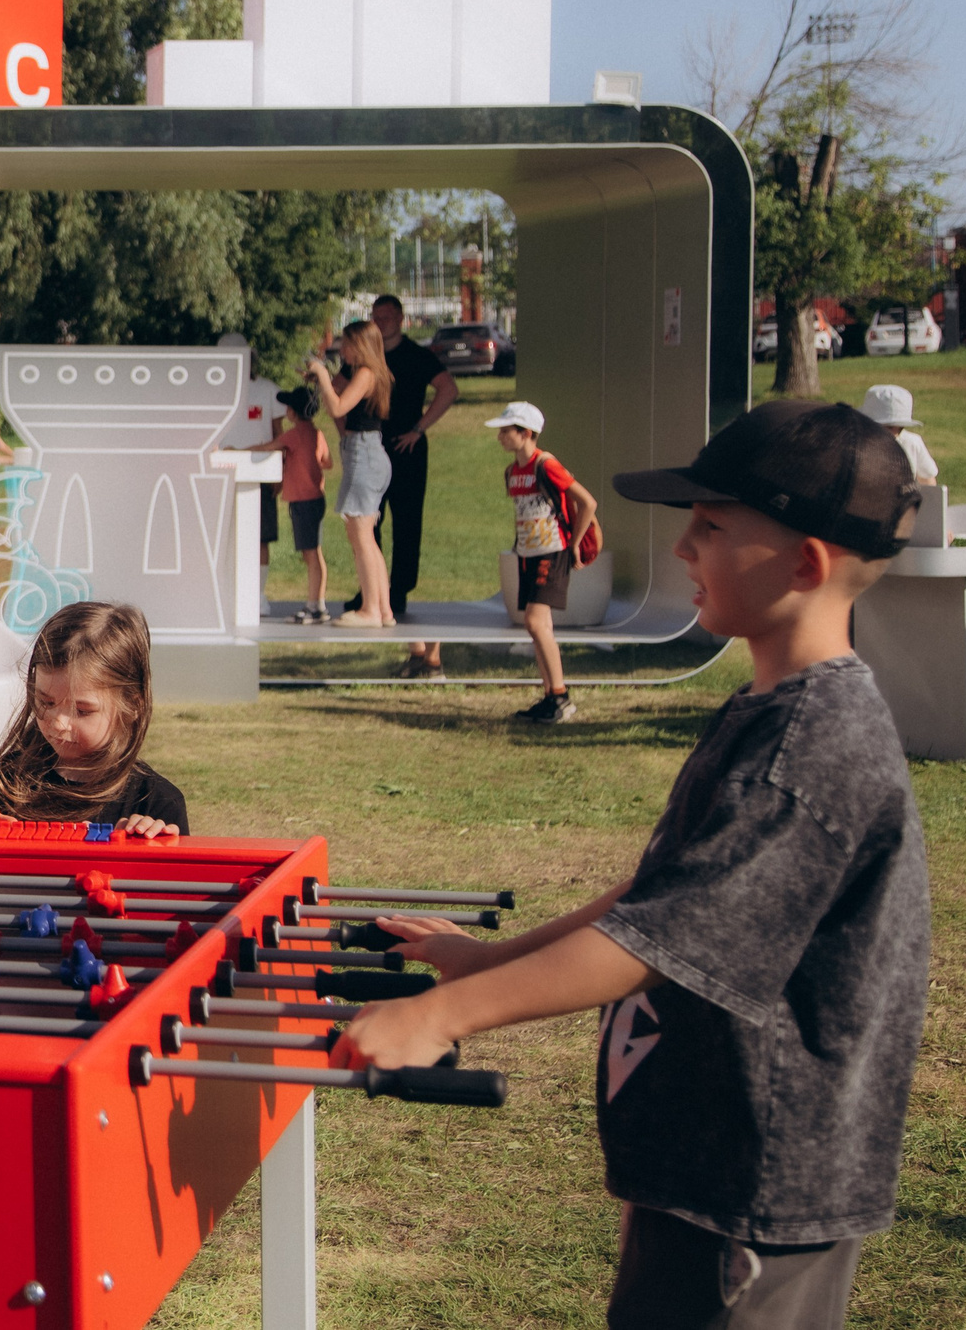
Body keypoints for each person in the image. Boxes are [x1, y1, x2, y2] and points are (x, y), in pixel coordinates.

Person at [343, 401, 928, 1330]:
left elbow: (665, 936)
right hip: (700, 1170)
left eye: (712, 527)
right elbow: (664, 893)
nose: (683, 545)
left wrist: (440, 1014)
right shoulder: (769, 710)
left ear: (806, 564)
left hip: (754, 1193)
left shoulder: (813, 748)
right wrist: (489, 959)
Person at [0, 601, 187, 836]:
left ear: (132, 706)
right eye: (46, 702)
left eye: (82, 711)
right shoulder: (3, 785)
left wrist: (148, 845)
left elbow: (176, 872)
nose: (59, 723)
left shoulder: (157, 803)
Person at [485, 401, 599, 724]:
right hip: (528, 554)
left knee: (536, 623)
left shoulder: (545, 464)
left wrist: (574, 544)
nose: (500, 437)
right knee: (538, 626)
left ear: (526, 433)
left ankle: (560, 697)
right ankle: (551, 696)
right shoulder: (512, 472)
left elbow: (587, 502)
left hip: (552, 551)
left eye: (506, 431)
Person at [369, 295, 459, 674]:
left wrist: (419, 429)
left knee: (407, 522)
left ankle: (399, 590)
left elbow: (449, 389)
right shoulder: (367, 356)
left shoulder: (418, 355)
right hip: (372, 448)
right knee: (368, 522)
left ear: (401, 319)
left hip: (407, 448)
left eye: (388, 316)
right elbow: (338, 390)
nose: (382, 322)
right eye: (376, 316)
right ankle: (371, 590)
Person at [305, 321, 395, 629]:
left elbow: (338, 407)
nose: (342, 350)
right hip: (367, 453)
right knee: (366, 537)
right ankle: (383, 609)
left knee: (361, 537)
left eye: (347, 344)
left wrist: (322, 375)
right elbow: (338, 404)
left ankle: (370, 610)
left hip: (364, 456)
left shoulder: (366, 373)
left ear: (361, 346)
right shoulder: (371, 373)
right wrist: (321, 381)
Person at [241, 387, 334, 623]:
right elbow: (327, 462)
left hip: (303, 502)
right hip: (316, 499)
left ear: (292, 412)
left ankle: (315, 607)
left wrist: (237, 451)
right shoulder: (316, 433)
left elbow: (267, 447)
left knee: (311, 555)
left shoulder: (293, 435)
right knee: (313, 553)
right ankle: (317, 604)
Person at [857, 385, 938, 484]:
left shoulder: (912, 443)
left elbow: (928, 482)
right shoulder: (852, 446)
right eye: (889, 427)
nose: (895, 435)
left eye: (900, 428)